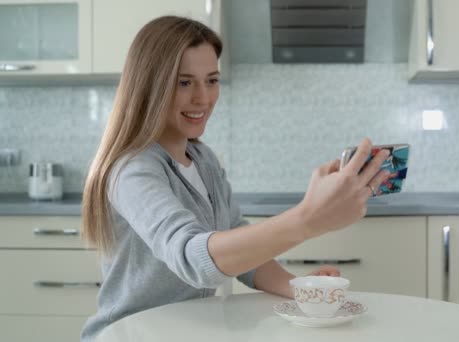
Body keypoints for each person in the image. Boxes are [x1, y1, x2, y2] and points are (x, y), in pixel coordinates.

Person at [80, 15, 391, 341]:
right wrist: (306, 220)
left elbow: (241, 253)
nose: (203, 98)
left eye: (212, 80)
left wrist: (298, 289)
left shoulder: (204, 161)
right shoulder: (131, 169)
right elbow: (193, 257)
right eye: (184, 82)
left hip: (185, 332)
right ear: (151, 86)